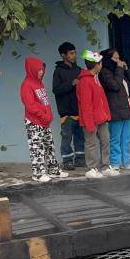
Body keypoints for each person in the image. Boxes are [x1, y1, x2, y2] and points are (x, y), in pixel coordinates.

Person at [20, 56, 69, 182]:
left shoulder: (39, 84)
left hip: (45, 122)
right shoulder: (26, 85)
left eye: (42, 70)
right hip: (34, 122)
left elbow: (44, 102)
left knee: (49, 146)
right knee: (37, 148)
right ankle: (38, 173)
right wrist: (44, 116)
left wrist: (49, 116)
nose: (41, 72)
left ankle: (53, 170)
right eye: (39, 70)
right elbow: (30, 106)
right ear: (32, 70)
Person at [77, 50, 119, 179]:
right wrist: (89, 123)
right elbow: (86, 105)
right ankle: (92, 168)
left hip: (101, 118)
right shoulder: (85, 81)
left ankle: (105, 166)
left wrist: (106, 114)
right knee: (91, 144)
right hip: (91, 120)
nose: (101, 65)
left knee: (105, 141)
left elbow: (101, 99)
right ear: (97, 64)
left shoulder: (95, 79)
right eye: (100, 63)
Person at [52, 42, 86, 171]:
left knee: (79, 136)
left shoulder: (79, 70)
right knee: (66, 137)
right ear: (63, 55)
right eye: (71, 53)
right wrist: (71, 84)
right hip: (66, 112)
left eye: (75, 53)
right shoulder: (58, 71)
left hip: (79, 110)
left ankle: (80, 160)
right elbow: (56, 90)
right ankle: (67, 161)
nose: (74, 56)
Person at [99, 48, 130, 170]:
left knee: (126, 138)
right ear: (108, 59)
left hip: (125, 109)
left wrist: (125, 69)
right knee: (115, 139)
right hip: (114, 110)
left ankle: (127, 161)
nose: (118, 61)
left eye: (119, 58)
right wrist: (119, 69)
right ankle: (115, 163)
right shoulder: (105, 72)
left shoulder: (119, 71)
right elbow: (115, 86)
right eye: (115, 58)